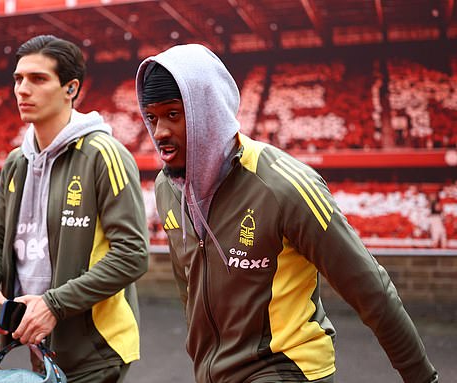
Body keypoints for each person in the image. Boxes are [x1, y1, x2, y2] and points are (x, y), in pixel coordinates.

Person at [135, 44, 438, 383]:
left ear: (207, 112)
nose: (159, 132)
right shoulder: (168, 187)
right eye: (152, 117)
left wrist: (422, 378)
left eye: (173, 115)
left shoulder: (284, 186)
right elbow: (188, 284)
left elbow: (372, 289)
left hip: (286, 369)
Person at [0, 35, 149, 382]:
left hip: (94, 352)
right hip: (37, 344)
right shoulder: (15, 162)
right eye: (18, 79)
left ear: (71, 88)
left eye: (38, 79)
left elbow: (133, 254)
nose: (22, 90)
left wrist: (54, 304)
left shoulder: (103, 154)